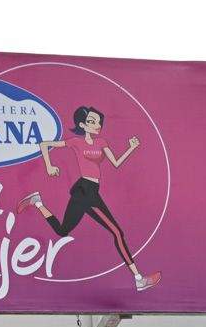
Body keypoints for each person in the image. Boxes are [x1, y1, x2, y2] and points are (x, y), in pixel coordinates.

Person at [17, 105, 160, 293]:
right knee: (117, 232)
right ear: (83, 125)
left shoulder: (101, 143)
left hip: (89, 191)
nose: (97, 125)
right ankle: (139, 279)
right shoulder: (76, 142)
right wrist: (49, 166)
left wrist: (131, 148)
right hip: (85, 190)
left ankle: (37, 202)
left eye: (98, 122)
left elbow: (116, 163)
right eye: (92, 122)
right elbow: (45, 144)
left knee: (62, 230)